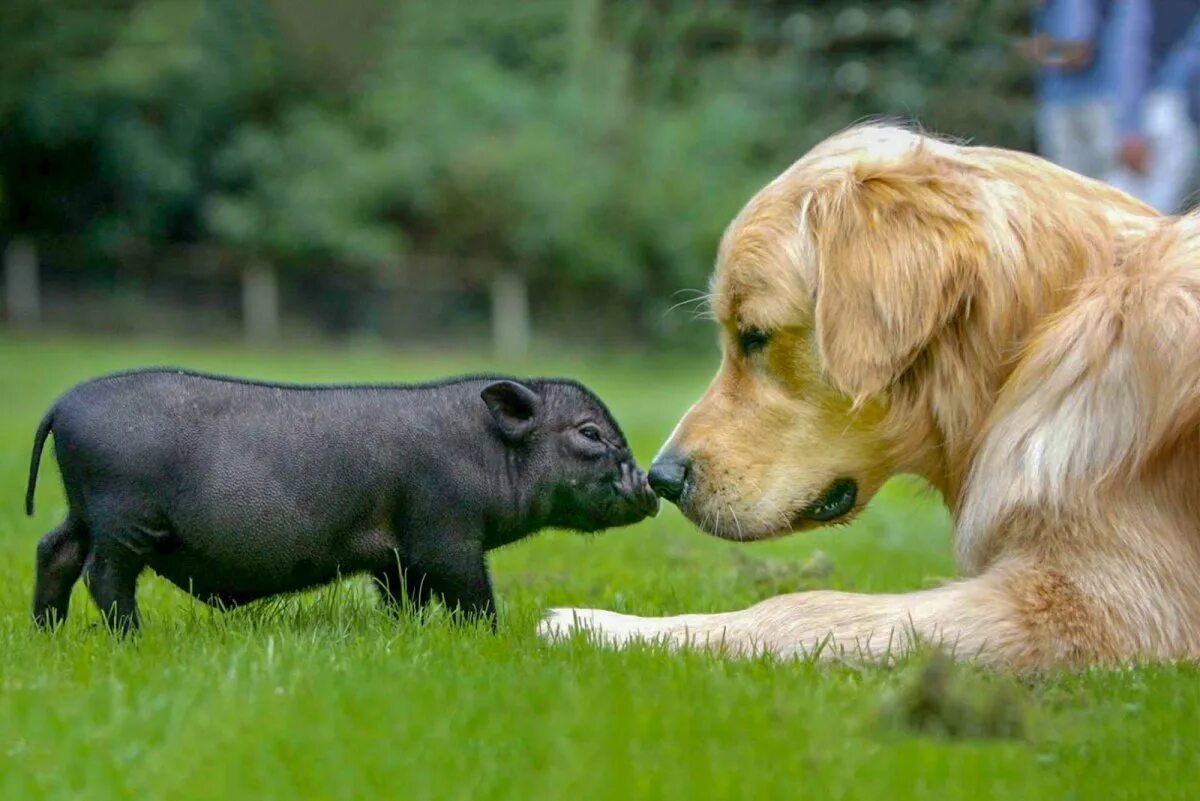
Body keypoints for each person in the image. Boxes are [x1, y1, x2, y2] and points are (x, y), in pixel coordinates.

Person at [1109, 0, 1200, 213]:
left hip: (1176, 110)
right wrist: (1130, 128)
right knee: (1144, 212)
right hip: (1166, 112)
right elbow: (1131, 56)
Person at [1024, 0, 1120, 179]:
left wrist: (1039, 53)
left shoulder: (1073, 4)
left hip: (1092, 103)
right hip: (1064, 102)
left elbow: (1079, 54)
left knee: (1106, 180)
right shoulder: (1044, 9)